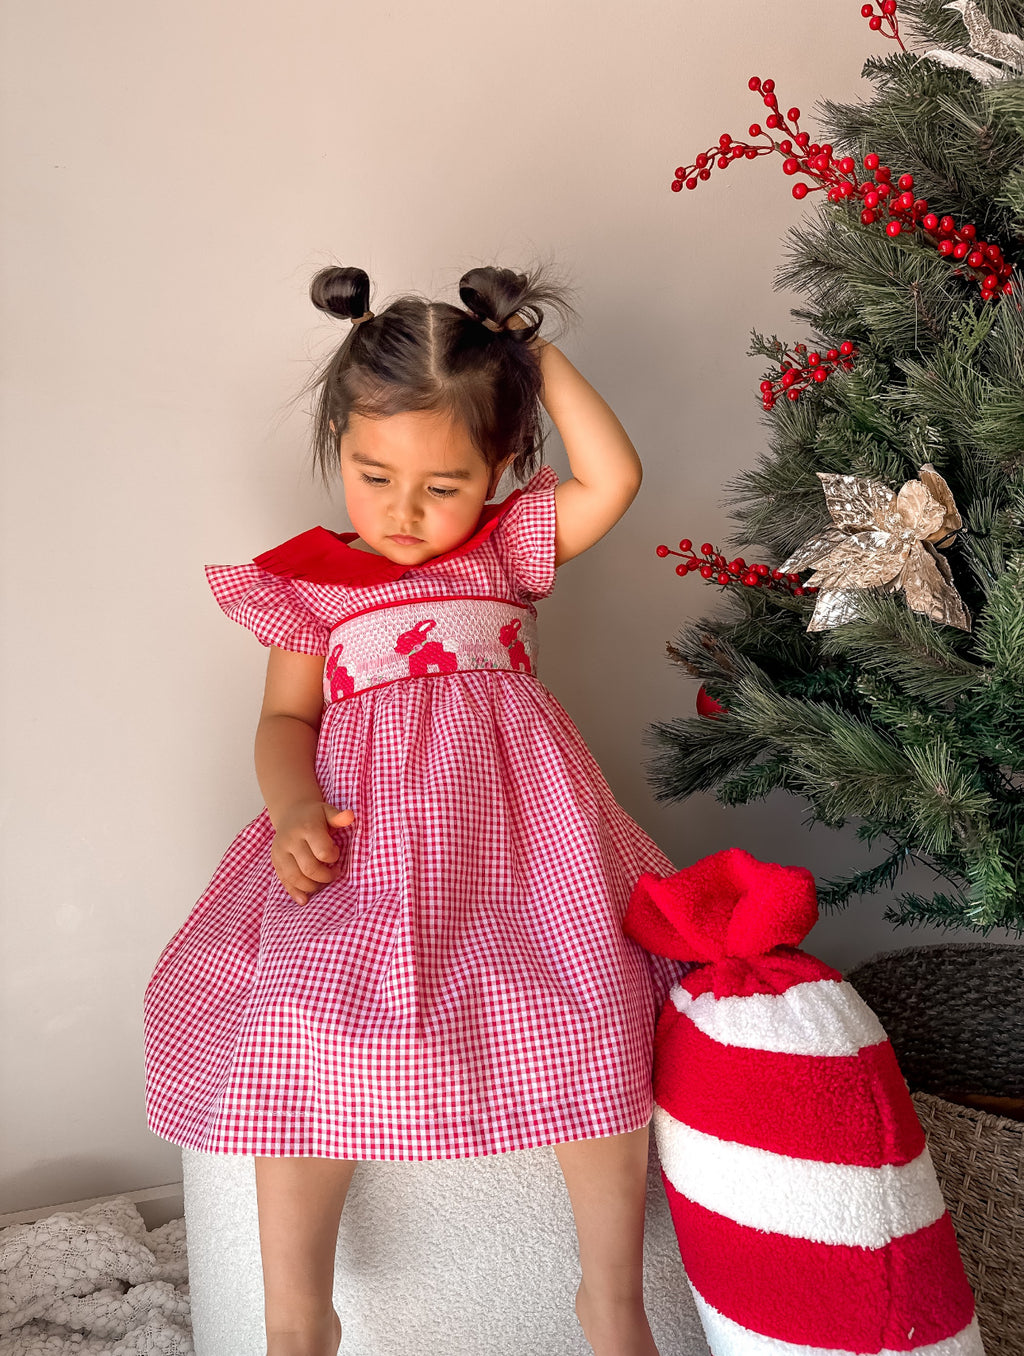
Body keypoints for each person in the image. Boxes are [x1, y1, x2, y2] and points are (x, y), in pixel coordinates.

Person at [143, 263, 683, 1356]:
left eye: (443, 483)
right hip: (362, 850)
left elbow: (614, 476)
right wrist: (293, 806)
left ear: (502, 468)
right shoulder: (312, 584)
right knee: (287, 1020)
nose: (402, 511)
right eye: (372, 473)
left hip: (526, 848)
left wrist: (530, 354)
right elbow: (284, 723)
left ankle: (610, 1300)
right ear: (337, 442)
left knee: (598, 1015)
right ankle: (300, 1315)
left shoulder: (508, 551)